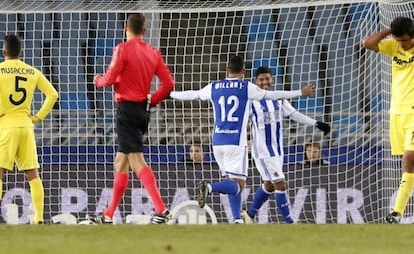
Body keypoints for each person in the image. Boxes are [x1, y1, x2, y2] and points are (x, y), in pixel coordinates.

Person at [170, 55, 316, 223]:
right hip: (235, 142)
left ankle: (238, 219)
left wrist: (171, 94)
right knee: (239, 185)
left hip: (217, 141)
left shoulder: (214, 86)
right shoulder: (246, 87)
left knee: (233, 181)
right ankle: (209, 187)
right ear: (244, 71)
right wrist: (300, 92)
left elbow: (193, 94)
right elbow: (272, 94)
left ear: (227, 69)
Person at [88, 13, 175, 224]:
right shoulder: (154, 53)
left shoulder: (122, 49)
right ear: (144, 30)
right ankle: (107, 215)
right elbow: (168, 84)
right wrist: (152, 100)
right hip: (143, 110)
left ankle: (162, 209)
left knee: (136, 158)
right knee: (121, 162)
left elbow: (109, 78)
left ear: (126, 27)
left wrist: (97, 80)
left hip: (126, 109)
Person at [241, 66, 330, 224]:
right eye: (261, 79)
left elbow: (293, 114)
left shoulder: (278, 98)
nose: (265, 82)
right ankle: (290, 223)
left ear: (272, 79)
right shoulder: (250, 101)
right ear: (256, 81)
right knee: (280, 183)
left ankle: (249, 215)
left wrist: (316, 123)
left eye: (267, 78)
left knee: (269, 184)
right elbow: (241, 124)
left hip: (277, 150)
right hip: (262, 150)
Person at [0, 34, 58, 224]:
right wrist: (37, 117)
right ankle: (39, 219)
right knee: (32, 174)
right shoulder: (32, 71)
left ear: (4, 51)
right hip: (26, 126)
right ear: (20, 51)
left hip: (6, 126)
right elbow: (53, 94)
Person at [362, 16, 414, 224]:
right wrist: (389, 32)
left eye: (406, 40)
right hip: (397, 112)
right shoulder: (393, 46)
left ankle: (396, 211)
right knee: (409, 164)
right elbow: (368, 43)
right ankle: (397, 213)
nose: (402, 44)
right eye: (399, 39)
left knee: (409, 158)